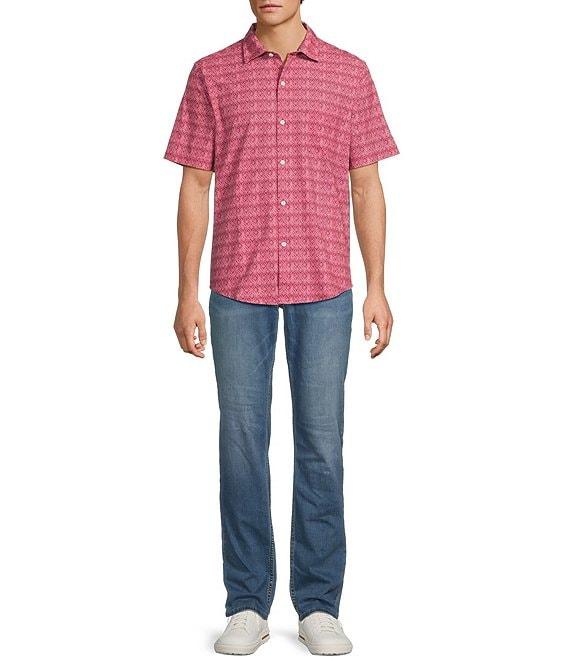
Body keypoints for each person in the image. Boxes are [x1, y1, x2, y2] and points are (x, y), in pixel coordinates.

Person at [164, 0, 398, 654]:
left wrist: (378, 286)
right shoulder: (211, 74)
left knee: (322, 446)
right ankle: (246, 602)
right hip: (237, 289)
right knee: (241, 447)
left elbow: (367, 185)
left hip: (324, 289)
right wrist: (186, 293)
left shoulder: (350, 74)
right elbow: (194, 186)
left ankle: (319, 604)